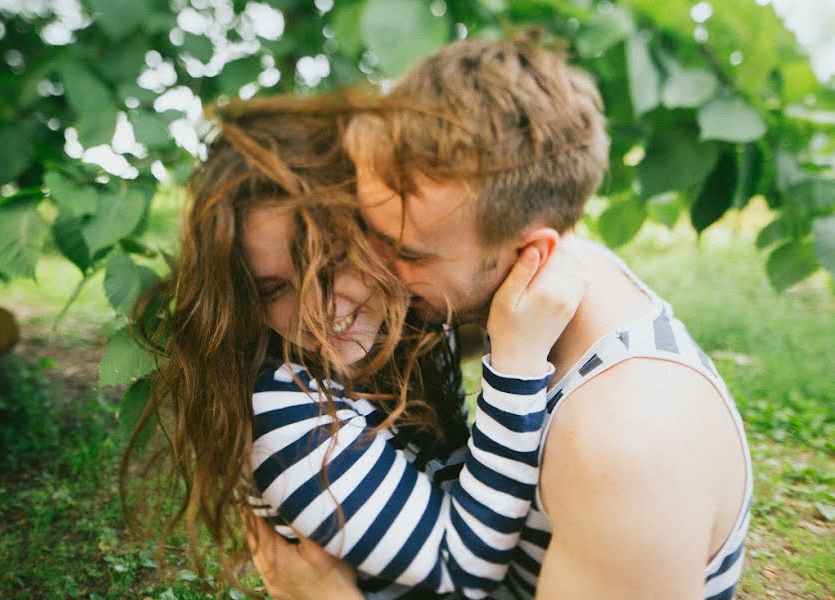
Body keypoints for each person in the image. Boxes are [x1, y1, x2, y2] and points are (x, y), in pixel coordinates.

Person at [249, 32, 753, 600]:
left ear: (529, 252)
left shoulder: (620, 455)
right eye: (365, 231)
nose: (375, 271)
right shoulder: (564, 278)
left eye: (408, 252)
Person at [121, 97, 589, 599]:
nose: (316, 311)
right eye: (272, 289)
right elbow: (463, 565)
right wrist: (517, 366)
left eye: (334, 261)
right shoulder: (282, 413)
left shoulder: (409, 324)